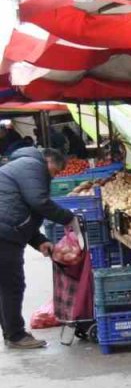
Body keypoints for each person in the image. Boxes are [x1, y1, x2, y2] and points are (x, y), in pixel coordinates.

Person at [0, 148, 72, 350]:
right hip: (4, 234)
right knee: (12, 285)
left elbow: (22, 210)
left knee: (6, 285)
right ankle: (15, 335)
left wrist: (39, 240)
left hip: (6, 231)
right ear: (49, 160)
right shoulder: (33, 166)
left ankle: (11, 333)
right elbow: (39, 202)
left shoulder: (24, 166)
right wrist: (69, 219)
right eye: (56, 172)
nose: (54, 176)